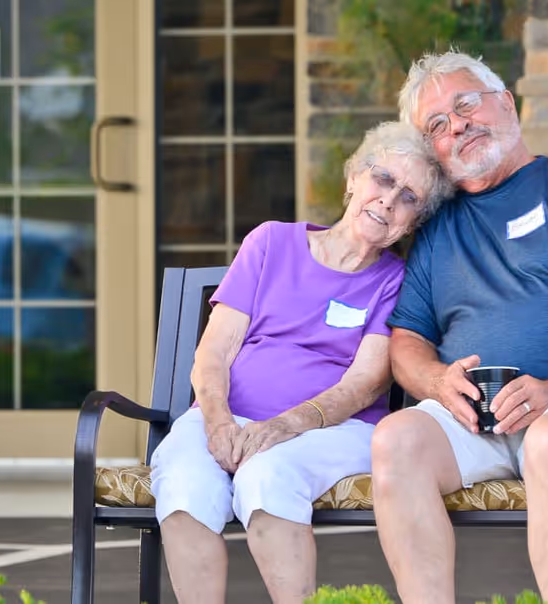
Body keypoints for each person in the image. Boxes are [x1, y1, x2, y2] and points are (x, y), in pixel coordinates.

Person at [149, 120, 452, 603]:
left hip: (334, 430)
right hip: (226, 416)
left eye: (410, 198)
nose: (389, 201)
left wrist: (285, 425)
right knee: (184, 483)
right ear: (353, 177)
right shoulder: (270, 242)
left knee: (267, 476)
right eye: (383, 179)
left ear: (413, 223)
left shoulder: (396, 281)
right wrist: (218, 422)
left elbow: (364, 384)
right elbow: (214, 353)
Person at [371, 50, 548, 604]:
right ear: (433, 151)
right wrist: (436, 383)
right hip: (479, 420)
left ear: (506, 102)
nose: (457, 125)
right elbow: (407, 339)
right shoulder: (437, 231)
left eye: (466, 104)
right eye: (437, 125)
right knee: (398, 439)